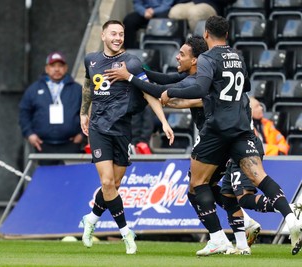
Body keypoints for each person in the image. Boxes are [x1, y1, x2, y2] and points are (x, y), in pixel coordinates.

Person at [159, 15, 302, 256]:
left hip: (218, 129)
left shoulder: (206, 57)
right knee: (260, 178)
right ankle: (290, 218)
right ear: (227, 34)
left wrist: (170, 91)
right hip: (241, 127)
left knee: (197, 183)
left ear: (206, 34)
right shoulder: (237, 56)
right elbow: (244, 87)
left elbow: (201, 89)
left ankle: (216, 238)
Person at [105, 35, 261, 255]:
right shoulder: (197, 76)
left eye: (183, 54)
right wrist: (139, 70)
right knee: (206, 188)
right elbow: (165, 78)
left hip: (215, 140)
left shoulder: (196, 82)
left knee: (197, 187)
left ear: (195, 60)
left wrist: (130, 77)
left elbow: (162, 91)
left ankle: (222, 236)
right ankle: (241, 224)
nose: (177, 57)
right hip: (221, 137)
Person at [79, 20, 175, 255]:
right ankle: (126, 232)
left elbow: (149, 91)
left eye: (121, 34)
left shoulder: (131, 62)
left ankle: (91, 218)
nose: (118, 37)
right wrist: (83, 112)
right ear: (103, 35)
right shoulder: (91, 59)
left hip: (122, 129)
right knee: (107, 182)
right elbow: (88, 84)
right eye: (113, 33)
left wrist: (163, 121)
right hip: (98, 128)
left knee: (116, 184)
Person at [19, 51, 84, 166]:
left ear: (66, 68)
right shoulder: (34, 89)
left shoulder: (77, 90)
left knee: (72, 180)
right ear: (46, 68)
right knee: (47, 180)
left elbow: (89, 113)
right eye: (53, 66)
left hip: (71, 144)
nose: (57, 69)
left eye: (60, 66)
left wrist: (82, 135)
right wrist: (29, 134)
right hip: (44, 145)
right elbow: (24, 112)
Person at [168, 0, 236, 32]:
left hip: (209, 4)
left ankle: (200, 46)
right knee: (175, 12)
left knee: (195, 12)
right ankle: (181, 49)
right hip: (187, 3)